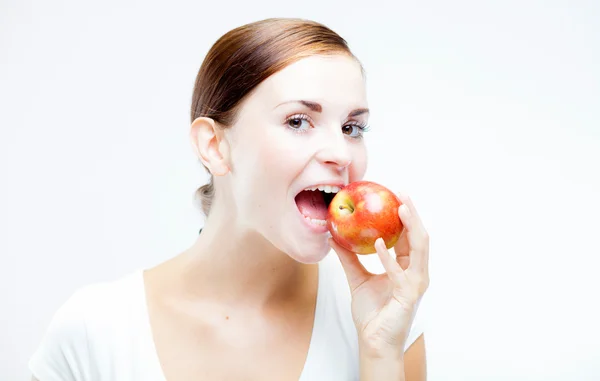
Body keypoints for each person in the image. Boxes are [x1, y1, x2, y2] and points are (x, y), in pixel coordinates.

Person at [29, 17, 430, 381]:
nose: (342, 154)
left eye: (352, 128)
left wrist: (380, 354)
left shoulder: (384, 322)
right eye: (298, 121)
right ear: (215, 146)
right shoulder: (93, 333)